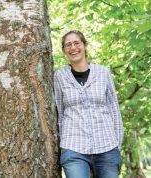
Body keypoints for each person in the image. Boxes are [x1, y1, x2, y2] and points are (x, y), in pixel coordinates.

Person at [54, 30, 124, 178]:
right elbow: (60, 112)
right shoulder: (59, 76)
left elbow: (114, 110)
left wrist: (117, 144)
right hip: (73, 147)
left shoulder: (103, 73)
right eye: (68, 45)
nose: (73, 48)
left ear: (84, 45)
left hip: (107, 146)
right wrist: (63, 144)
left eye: (76, 43)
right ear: (64, 51)